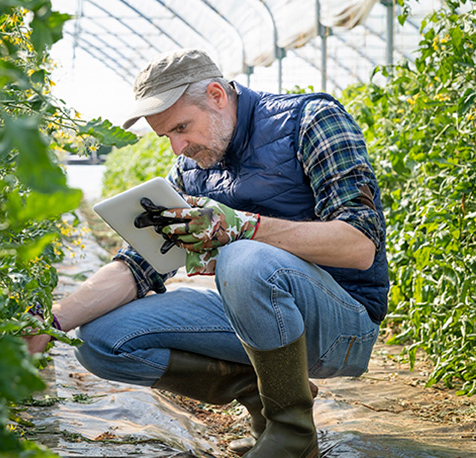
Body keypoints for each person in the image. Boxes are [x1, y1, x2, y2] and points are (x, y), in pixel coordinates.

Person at [26, 48, 388, 458]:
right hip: (260, 316)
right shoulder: (189, 172)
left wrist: (244, 227)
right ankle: (267, 394)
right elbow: (139, 266)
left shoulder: (310, 121)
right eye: (166, 136)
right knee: (99, 341)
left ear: (217, 95)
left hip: (342, 323)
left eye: (182, 127)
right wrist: (51, 324)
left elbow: (360, 246)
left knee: (242, 257)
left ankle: (293, 433)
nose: (177, 148)